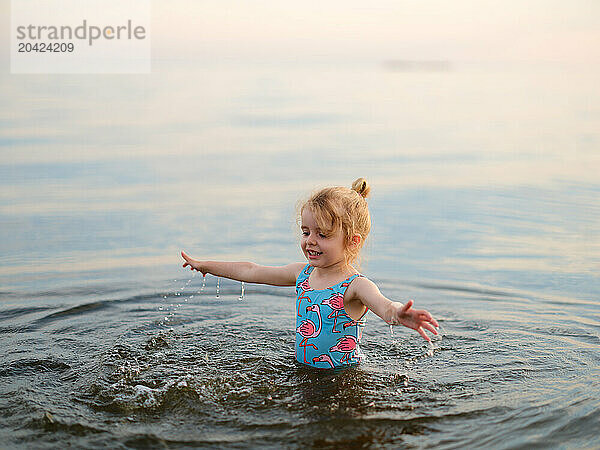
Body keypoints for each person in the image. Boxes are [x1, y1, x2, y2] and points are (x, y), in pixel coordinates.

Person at [181, 178, 439, 369]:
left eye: (323, 235)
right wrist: (206, 266)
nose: (310, 242)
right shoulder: (302, 274)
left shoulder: (355, 287)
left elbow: (384, 307)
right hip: (302, 369)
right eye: (306, 232)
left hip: (342, 378)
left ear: (352, 242)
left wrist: (398, 313)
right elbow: (252, 270)